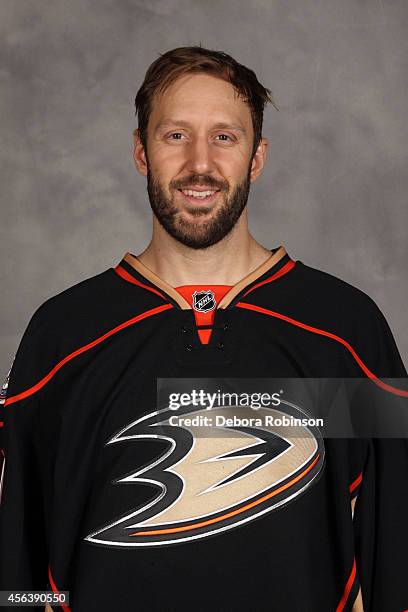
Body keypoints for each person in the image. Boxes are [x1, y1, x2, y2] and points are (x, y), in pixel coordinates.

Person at [0, 46, 407, 612]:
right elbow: (15, 567)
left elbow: (394, 548)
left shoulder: (343, 332)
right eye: (175, 136)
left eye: (224, 137)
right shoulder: (62, 337)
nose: (200, 164)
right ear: (141, 152)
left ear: (256, 157)